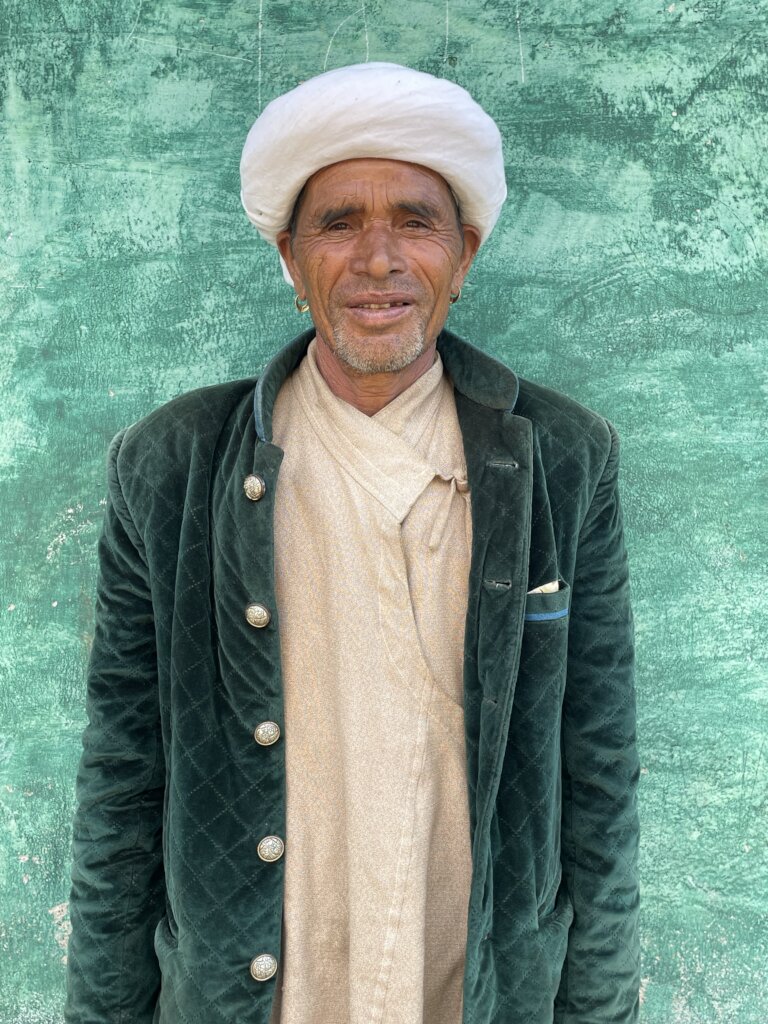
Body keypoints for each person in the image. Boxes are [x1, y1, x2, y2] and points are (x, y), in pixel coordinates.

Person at [64, 62, 640, 1024]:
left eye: (416, 221)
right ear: (291, 261)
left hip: (477, 989)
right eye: (339, 224)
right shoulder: (171, 467)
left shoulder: (563, 458)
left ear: (464, 253)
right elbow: (120, 788)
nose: (379, 259)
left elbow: (602, 777)